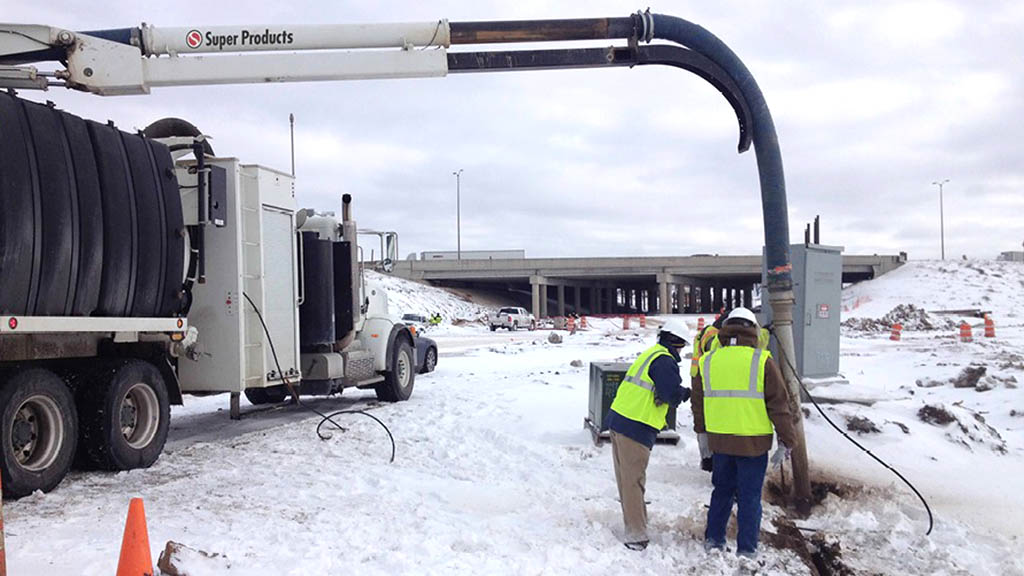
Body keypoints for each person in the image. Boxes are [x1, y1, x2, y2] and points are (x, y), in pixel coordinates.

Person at [693, 307, 797, 558]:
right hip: (753, 445)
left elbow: (698, 403)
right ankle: (747, 549)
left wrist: (703, 436)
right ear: (753, 331)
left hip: (720, 442)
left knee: (721, 492)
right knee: (749, 498)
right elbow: (779, 406)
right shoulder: (762, 361)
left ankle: (714, 539)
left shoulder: (707, 361)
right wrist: (787, 440)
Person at [606, 318, 692, 551]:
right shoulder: (664, 361)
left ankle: (636, 521)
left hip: (620, 420)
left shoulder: (652, 354)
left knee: (627, 480)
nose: (681, 351)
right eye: (682, 346)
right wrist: (685, 393)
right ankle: (636, 534)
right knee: (634, 482)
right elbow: (671, 394)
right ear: (676, 343)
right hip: (635, 425)